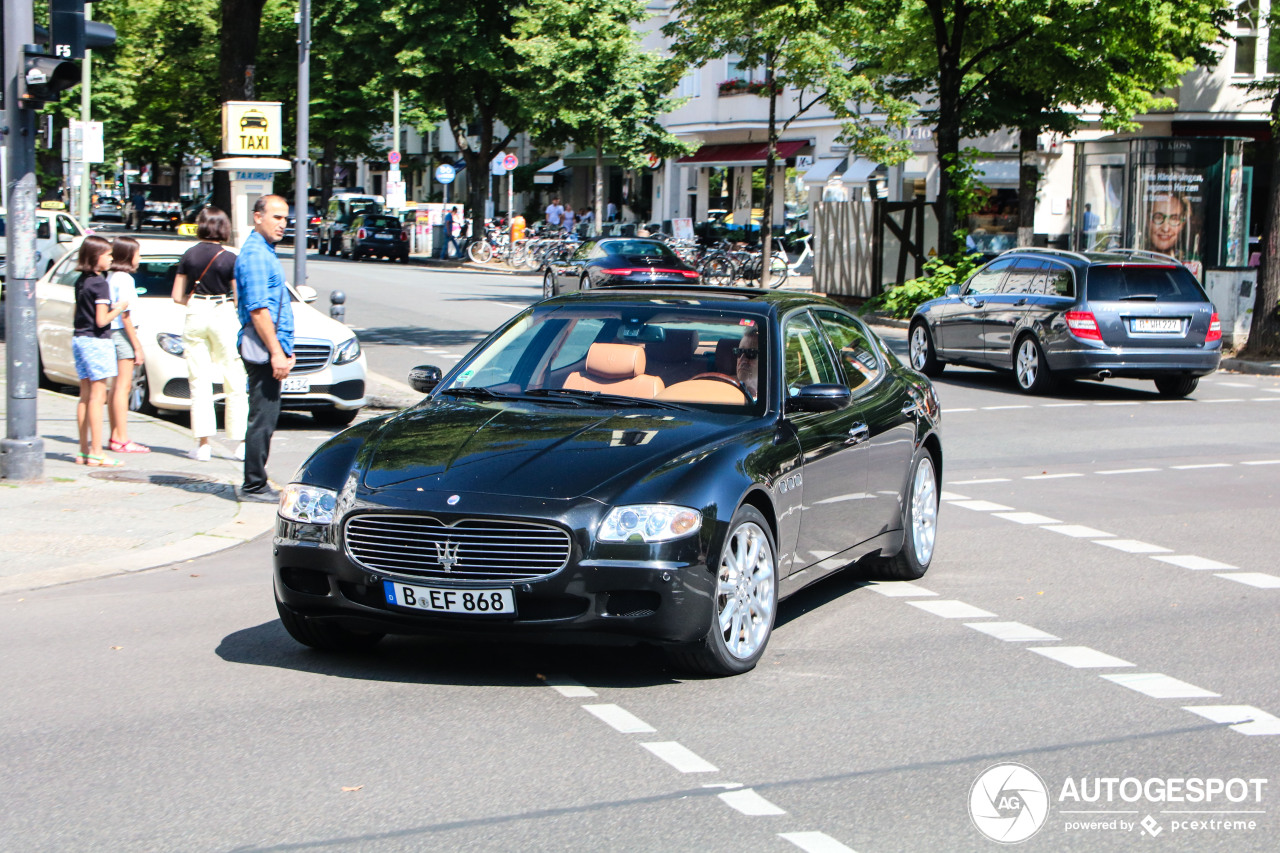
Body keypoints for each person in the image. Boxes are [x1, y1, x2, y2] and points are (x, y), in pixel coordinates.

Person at [172, 206, 247, 462]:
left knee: (199, 380)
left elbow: (177, 296)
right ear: (223, 228)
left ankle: (203, 444)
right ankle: (239, 443)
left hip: (196, 312)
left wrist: (193, 300)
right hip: (222, 312)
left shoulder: (189, 255)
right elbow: (238, 297)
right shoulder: (229, 258)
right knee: (234, 377)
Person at [235, 195, 295, 502]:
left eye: (285, 218)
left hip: (268, 346)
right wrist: (276, 352)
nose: (282, 224)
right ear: (258, 217)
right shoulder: (257, 255)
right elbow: (258, 310)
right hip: (261, 348)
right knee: (263, 418)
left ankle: (257, 481)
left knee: (266, 417)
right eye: (276, 217)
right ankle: (254, 484)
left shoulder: (264, 251)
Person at [71, 236, 127, 467]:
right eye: (108, 255)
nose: (111, 258)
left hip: (80, 338)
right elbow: (102, 320)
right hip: (97, 341)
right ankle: (96, 451)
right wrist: (120, 308)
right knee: (98, 396)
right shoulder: (100, 283)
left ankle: (84, 450)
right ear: (96, 257)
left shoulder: (81, 281)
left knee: (84, 396)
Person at [105, 237, 149, 454]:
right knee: (123, 387)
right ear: (128, 255)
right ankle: (121, 438)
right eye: (138, 254)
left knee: (116, 387)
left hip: (112, 333)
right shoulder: (125, 279)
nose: (139, 259)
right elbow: (126, 317)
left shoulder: (112, 277)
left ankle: (116, 436)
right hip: (122, 334)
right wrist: (137, 346)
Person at [1146, 193, 1191, 257]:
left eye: (1174, 219)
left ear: (1182, 224)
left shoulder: (1191, 261)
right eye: (1158, 217)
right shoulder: (1135, 257)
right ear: (1147, 220)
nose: (1165, 229)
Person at [735, 326, 759, 400]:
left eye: (750, 353)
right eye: (739, 352)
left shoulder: (775, 397)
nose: (742, 359)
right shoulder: (724, 388)